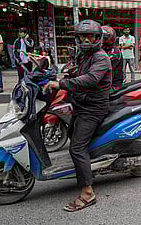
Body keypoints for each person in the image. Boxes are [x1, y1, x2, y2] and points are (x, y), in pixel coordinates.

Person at [44, 19, 112, 212]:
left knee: (76, 148)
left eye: (90, 37)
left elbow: (91, 79)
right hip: (80, 104)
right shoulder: (83, 56)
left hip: (93, 108)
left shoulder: (101, 57)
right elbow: (74, 72)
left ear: (98, 39)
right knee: (74, 138)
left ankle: (88, 193)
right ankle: (89, 169)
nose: (86, 40)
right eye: (83, 37)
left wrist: (62, 84)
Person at [102, 26, 124, 91]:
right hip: (104, 84)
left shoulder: (114, 52)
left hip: (113, 86)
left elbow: (101, 67)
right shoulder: (102, 49)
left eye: (104, 38)